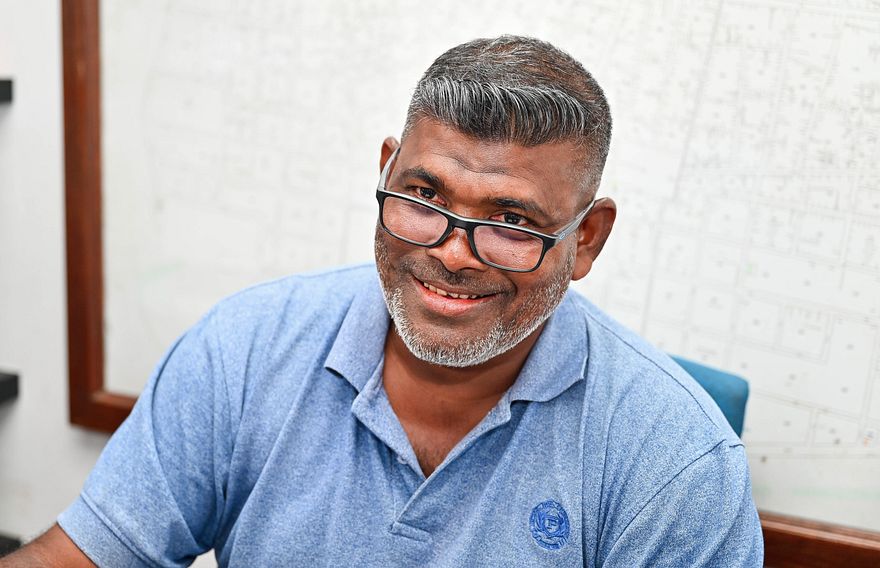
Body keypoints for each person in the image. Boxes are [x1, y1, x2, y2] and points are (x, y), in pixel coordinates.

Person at [3, 35, 763, 567]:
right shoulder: (245, 347)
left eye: (510, 221)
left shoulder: (676, 461)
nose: (452, 254)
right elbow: (82, 557)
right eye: (424, 195)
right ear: (387, 170)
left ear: (586, 239)